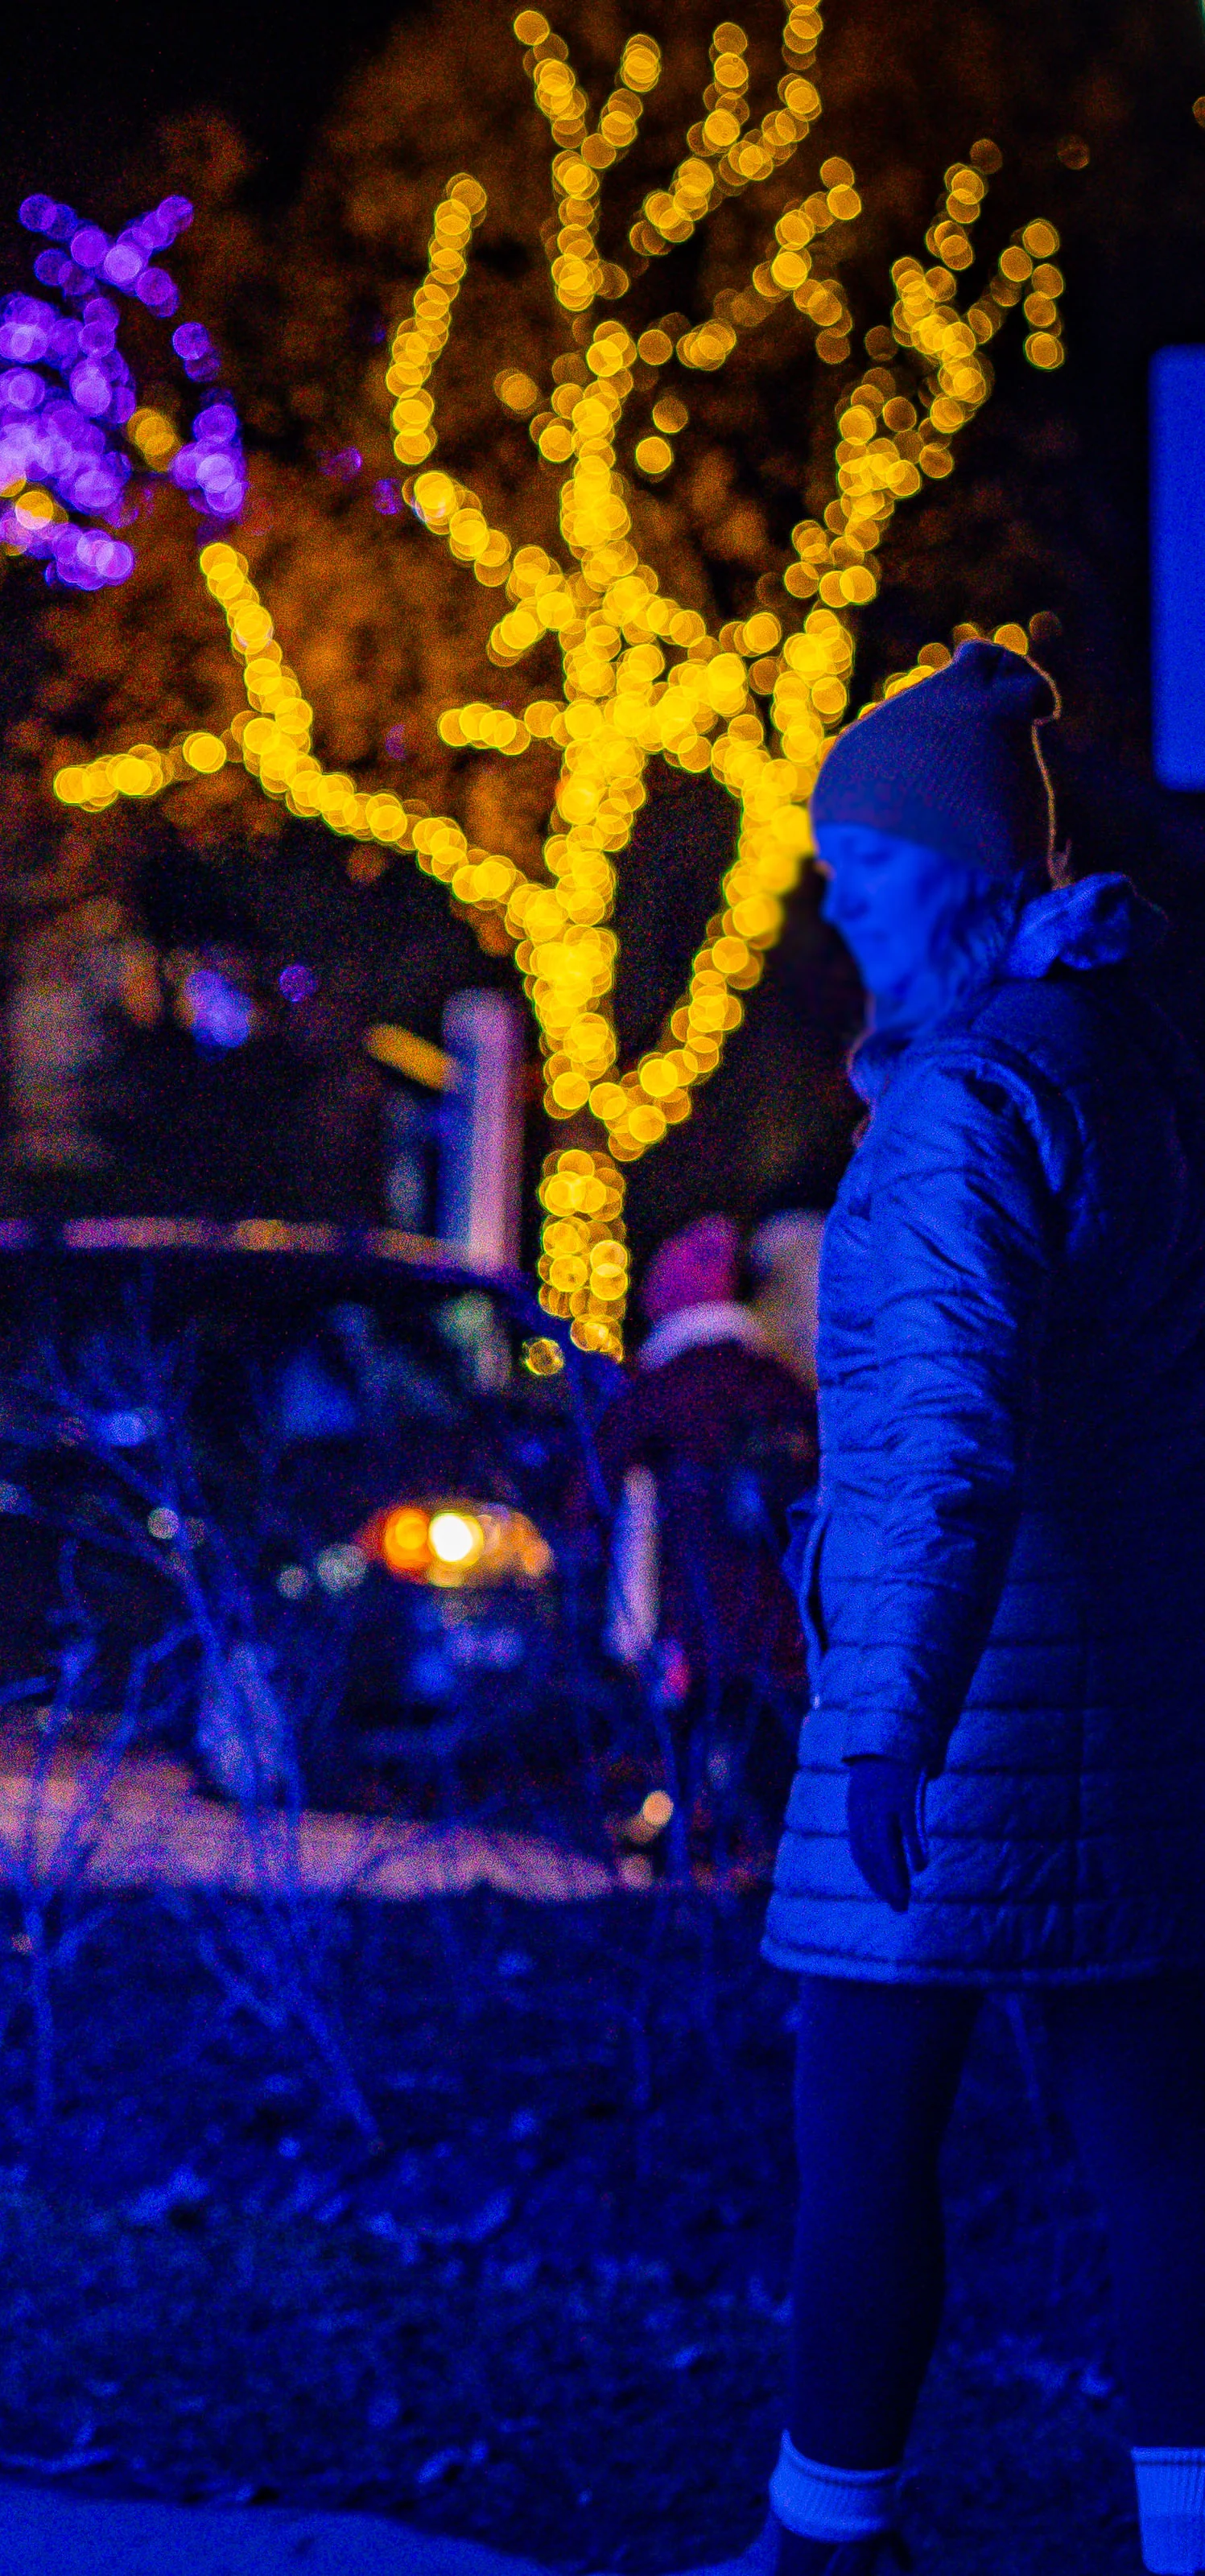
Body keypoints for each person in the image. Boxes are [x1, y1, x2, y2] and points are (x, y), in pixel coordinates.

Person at [671, 643, 1205, 2576]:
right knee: (1151, 2145)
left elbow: (928, 1444)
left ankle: (824, 2545)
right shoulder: (1133, 1052)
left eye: (849, 867)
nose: (826, 901)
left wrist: (885, 1714)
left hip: (967, 1713)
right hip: (1135, 1698)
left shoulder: (968, 1100)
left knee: (858, 2128)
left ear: (941, 873)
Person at [598, 1213, 812, 1870]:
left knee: (685, 1735)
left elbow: (595, 1482)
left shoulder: (665, 1383)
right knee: (767, 1748)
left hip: (689, 1613)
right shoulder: (782, 1382)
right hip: (780, 1620)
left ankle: (685, 1840)